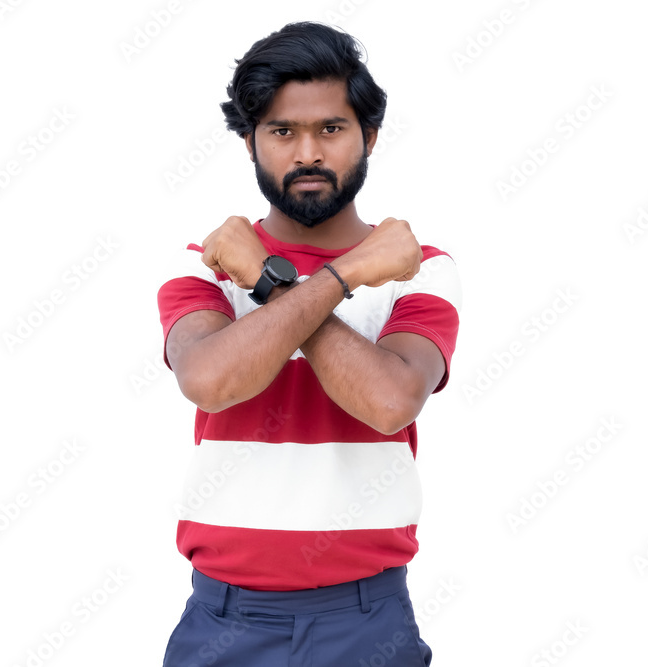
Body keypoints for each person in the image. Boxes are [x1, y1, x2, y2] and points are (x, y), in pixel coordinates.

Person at [157, 21, 461, 667]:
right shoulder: (203, 265)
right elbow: (212, 381)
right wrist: (343, 275)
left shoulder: (419, 266)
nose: (306, 154)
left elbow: (388, 402)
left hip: (365, 618)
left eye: (331, 128)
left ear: (368, 136)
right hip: (223, 619)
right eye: (281, 131)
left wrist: (271, 284)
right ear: (249, 142)